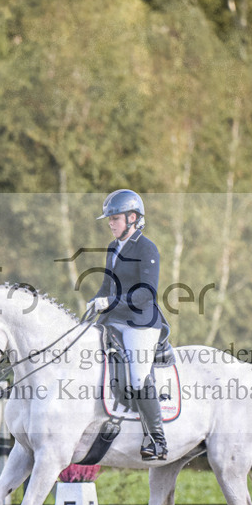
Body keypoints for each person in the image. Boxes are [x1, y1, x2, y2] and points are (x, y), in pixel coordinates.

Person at [86, 189, 168, 461]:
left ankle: (157, 438)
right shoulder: (113, 248)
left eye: (115, 218)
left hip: (141, 323)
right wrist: (94, 303)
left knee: (138, 376)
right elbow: (106, 285)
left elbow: (146, 293)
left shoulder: (147, 248)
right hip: (114, 320)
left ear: (132, 218)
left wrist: (109, 303)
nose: (110, 223)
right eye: (109, 219)